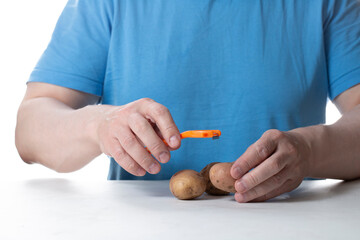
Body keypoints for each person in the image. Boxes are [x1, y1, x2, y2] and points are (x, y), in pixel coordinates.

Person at [15, 0, 360, 203]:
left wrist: (309, 150)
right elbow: (31, 128)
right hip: (141, 232)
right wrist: (99, 125)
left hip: (295, 227)